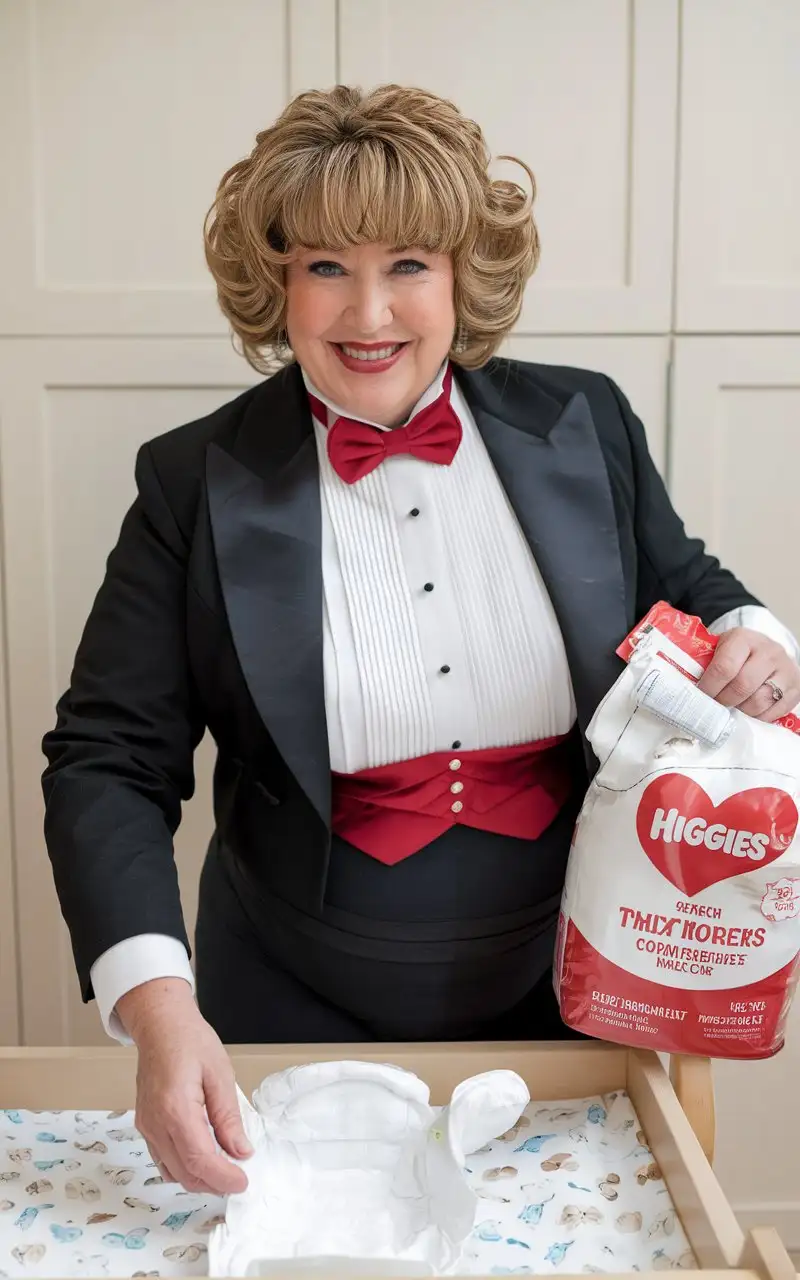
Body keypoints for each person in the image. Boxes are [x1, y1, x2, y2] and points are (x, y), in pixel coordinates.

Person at [42, 84, 800, 1197]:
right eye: (323, 267)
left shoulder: (582, 421)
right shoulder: (190, 480)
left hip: (576, 974)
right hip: (286, 991)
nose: (368, 313)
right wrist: (156, 1010)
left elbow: (687, 581)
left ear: (461, 277)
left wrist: (755, 638)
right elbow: (107, 757)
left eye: (407, 264)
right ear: (275, 282)